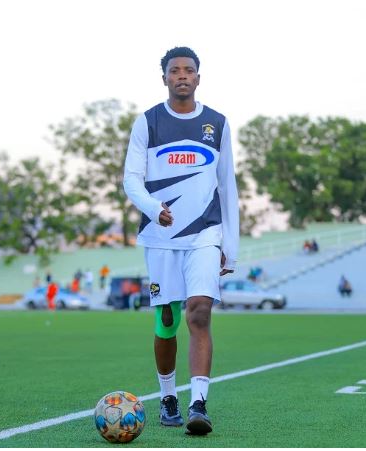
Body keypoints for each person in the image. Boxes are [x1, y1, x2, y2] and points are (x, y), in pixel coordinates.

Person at [123, 46, 239, 435]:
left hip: (205, 233)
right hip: (160, 237)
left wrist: (231, 246)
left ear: (198, 78)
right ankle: (168, 396)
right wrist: (153, 208)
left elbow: (228, 186)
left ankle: (198, 404)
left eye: (189, 70)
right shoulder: (148, 122)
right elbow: (131, 179)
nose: (183, 76)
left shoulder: (217, 124)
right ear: (165, 79)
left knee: (200, 311)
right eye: (175, 71)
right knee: (167, 321)